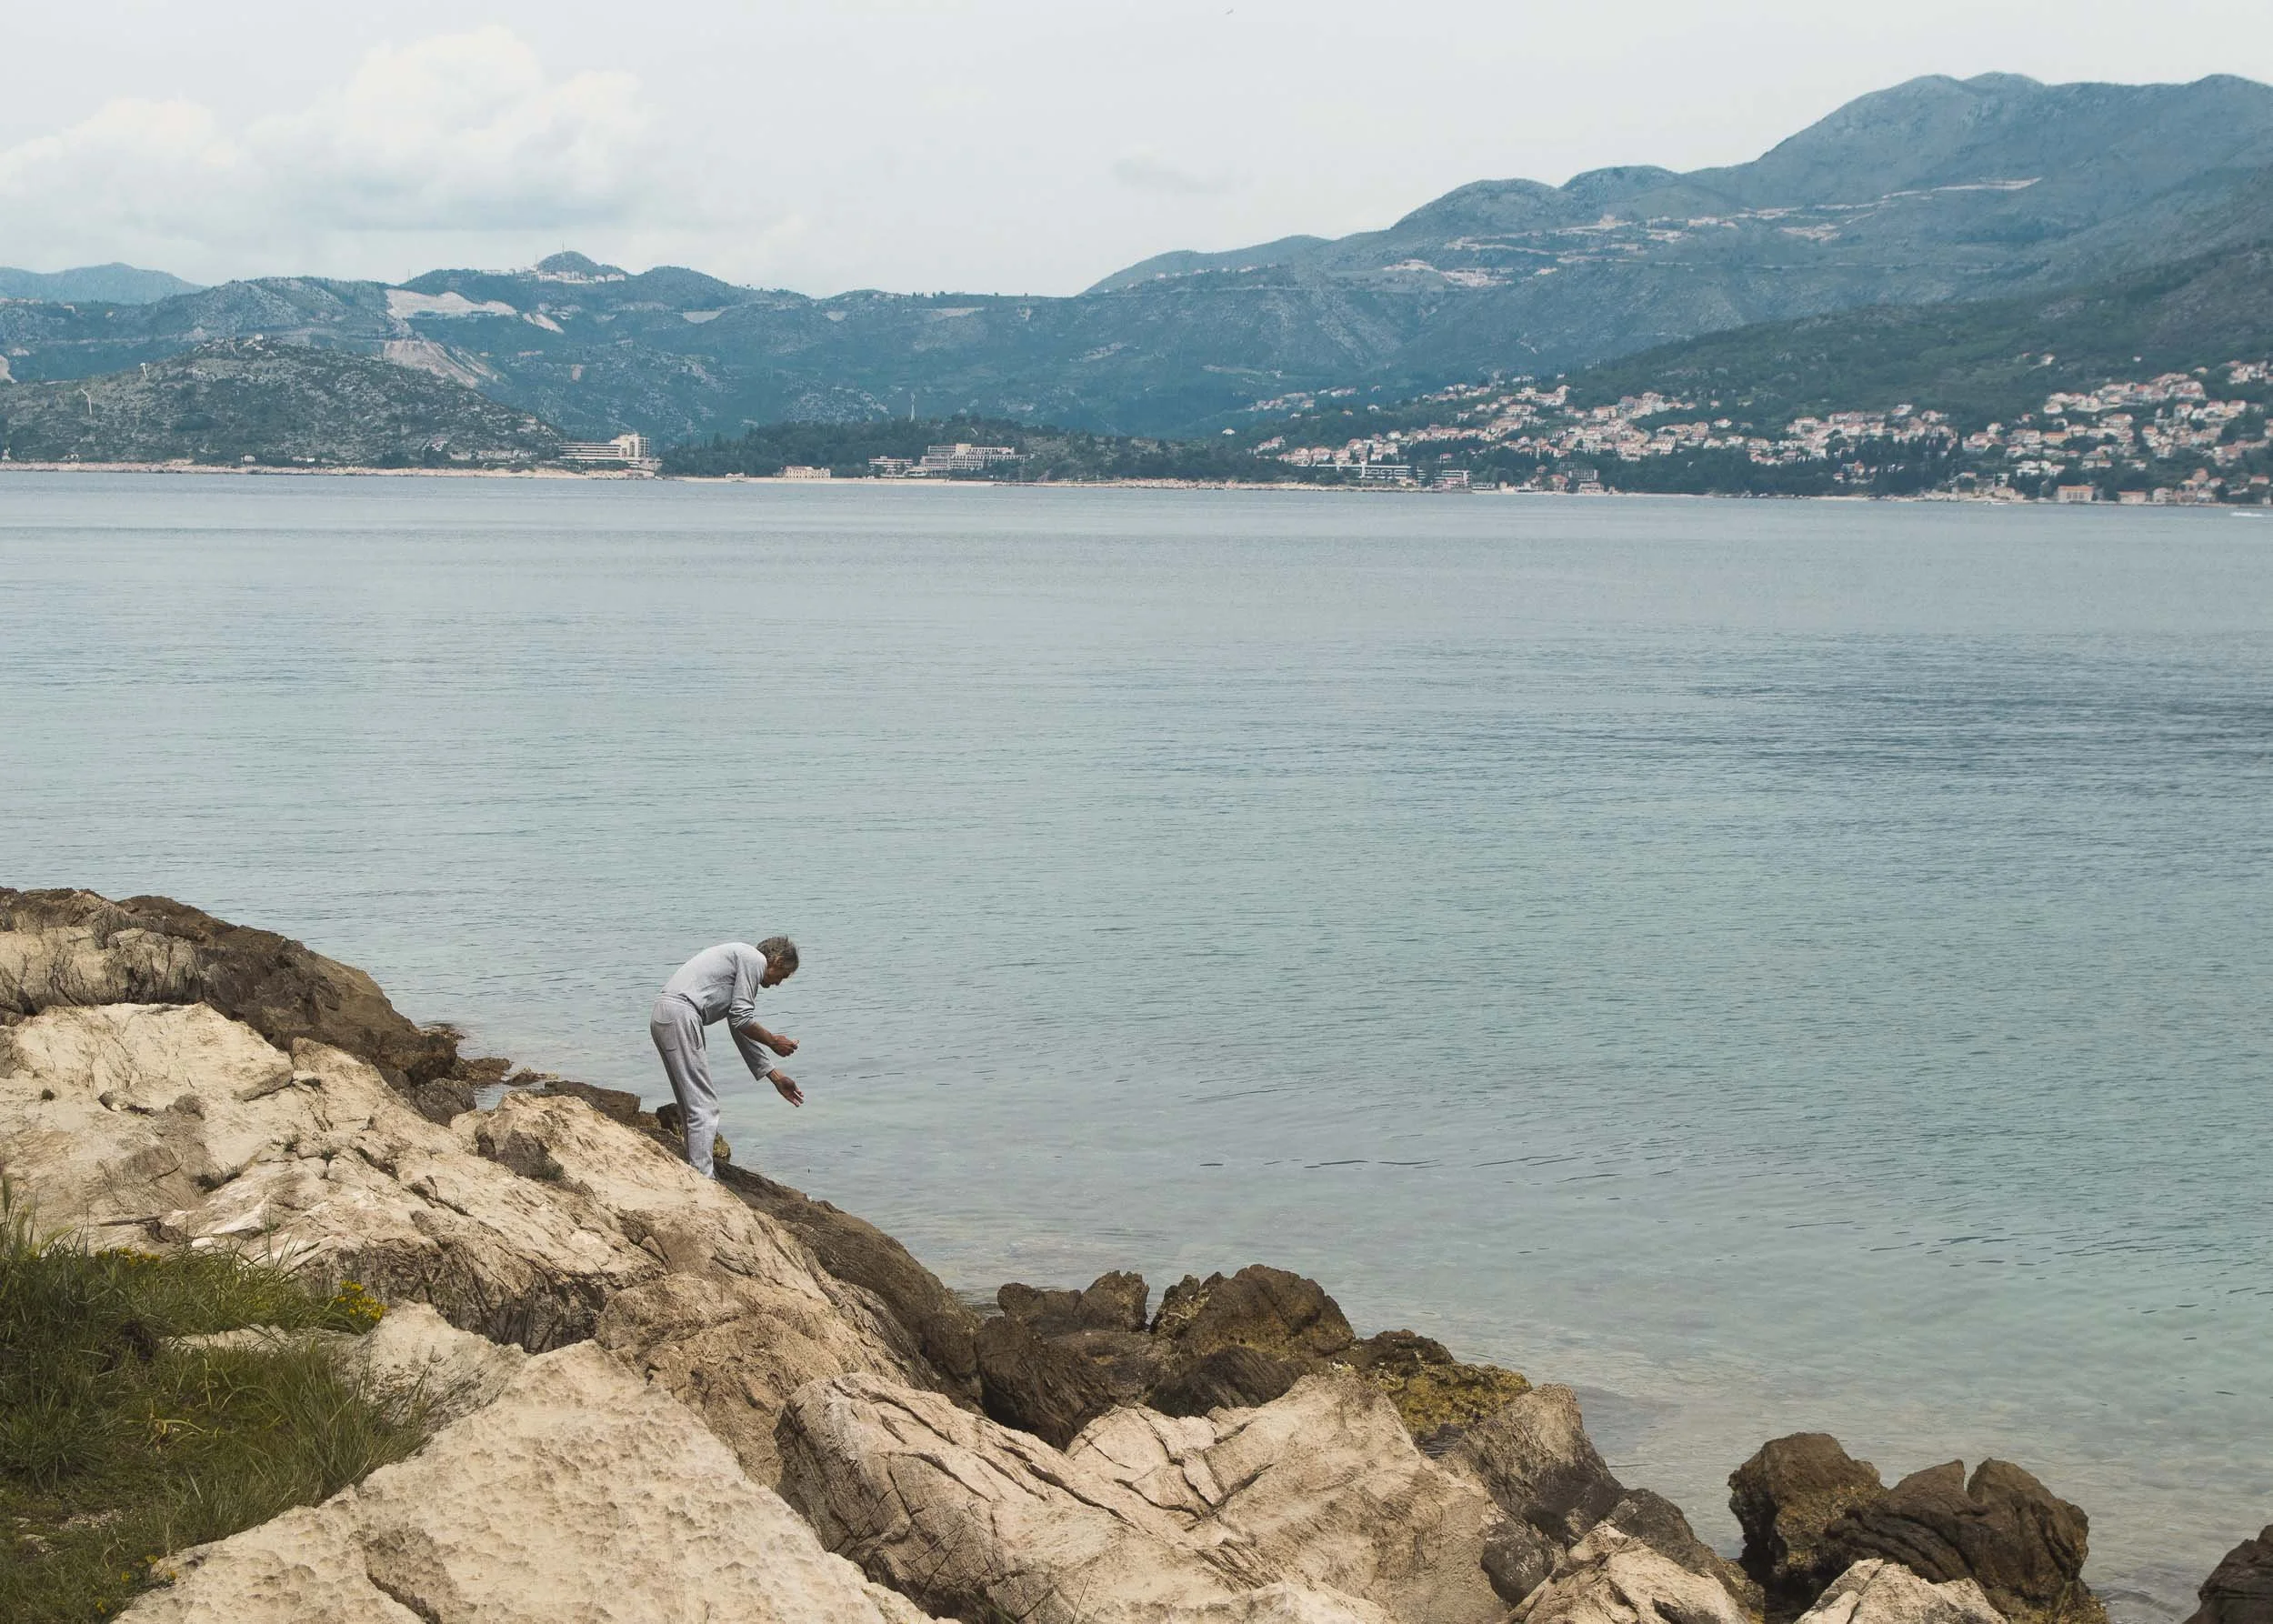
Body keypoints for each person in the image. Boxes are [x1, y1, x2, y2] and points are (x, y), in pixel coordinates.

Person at [649, 936, 803, 1177]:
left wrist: (775, 1077)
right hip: (681, 1014)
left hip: (666, 1015)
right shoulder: (754, 959)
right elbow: (743, 1019)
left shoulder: (741, 962)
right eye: (782, 976)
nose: (777, 984)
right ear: (778, 961)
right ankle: (703, 1178)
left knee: (692, 1105)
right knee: (704, 1106)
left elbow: (740, 1028)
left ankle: (696, 1170)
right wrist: (773, 1041)